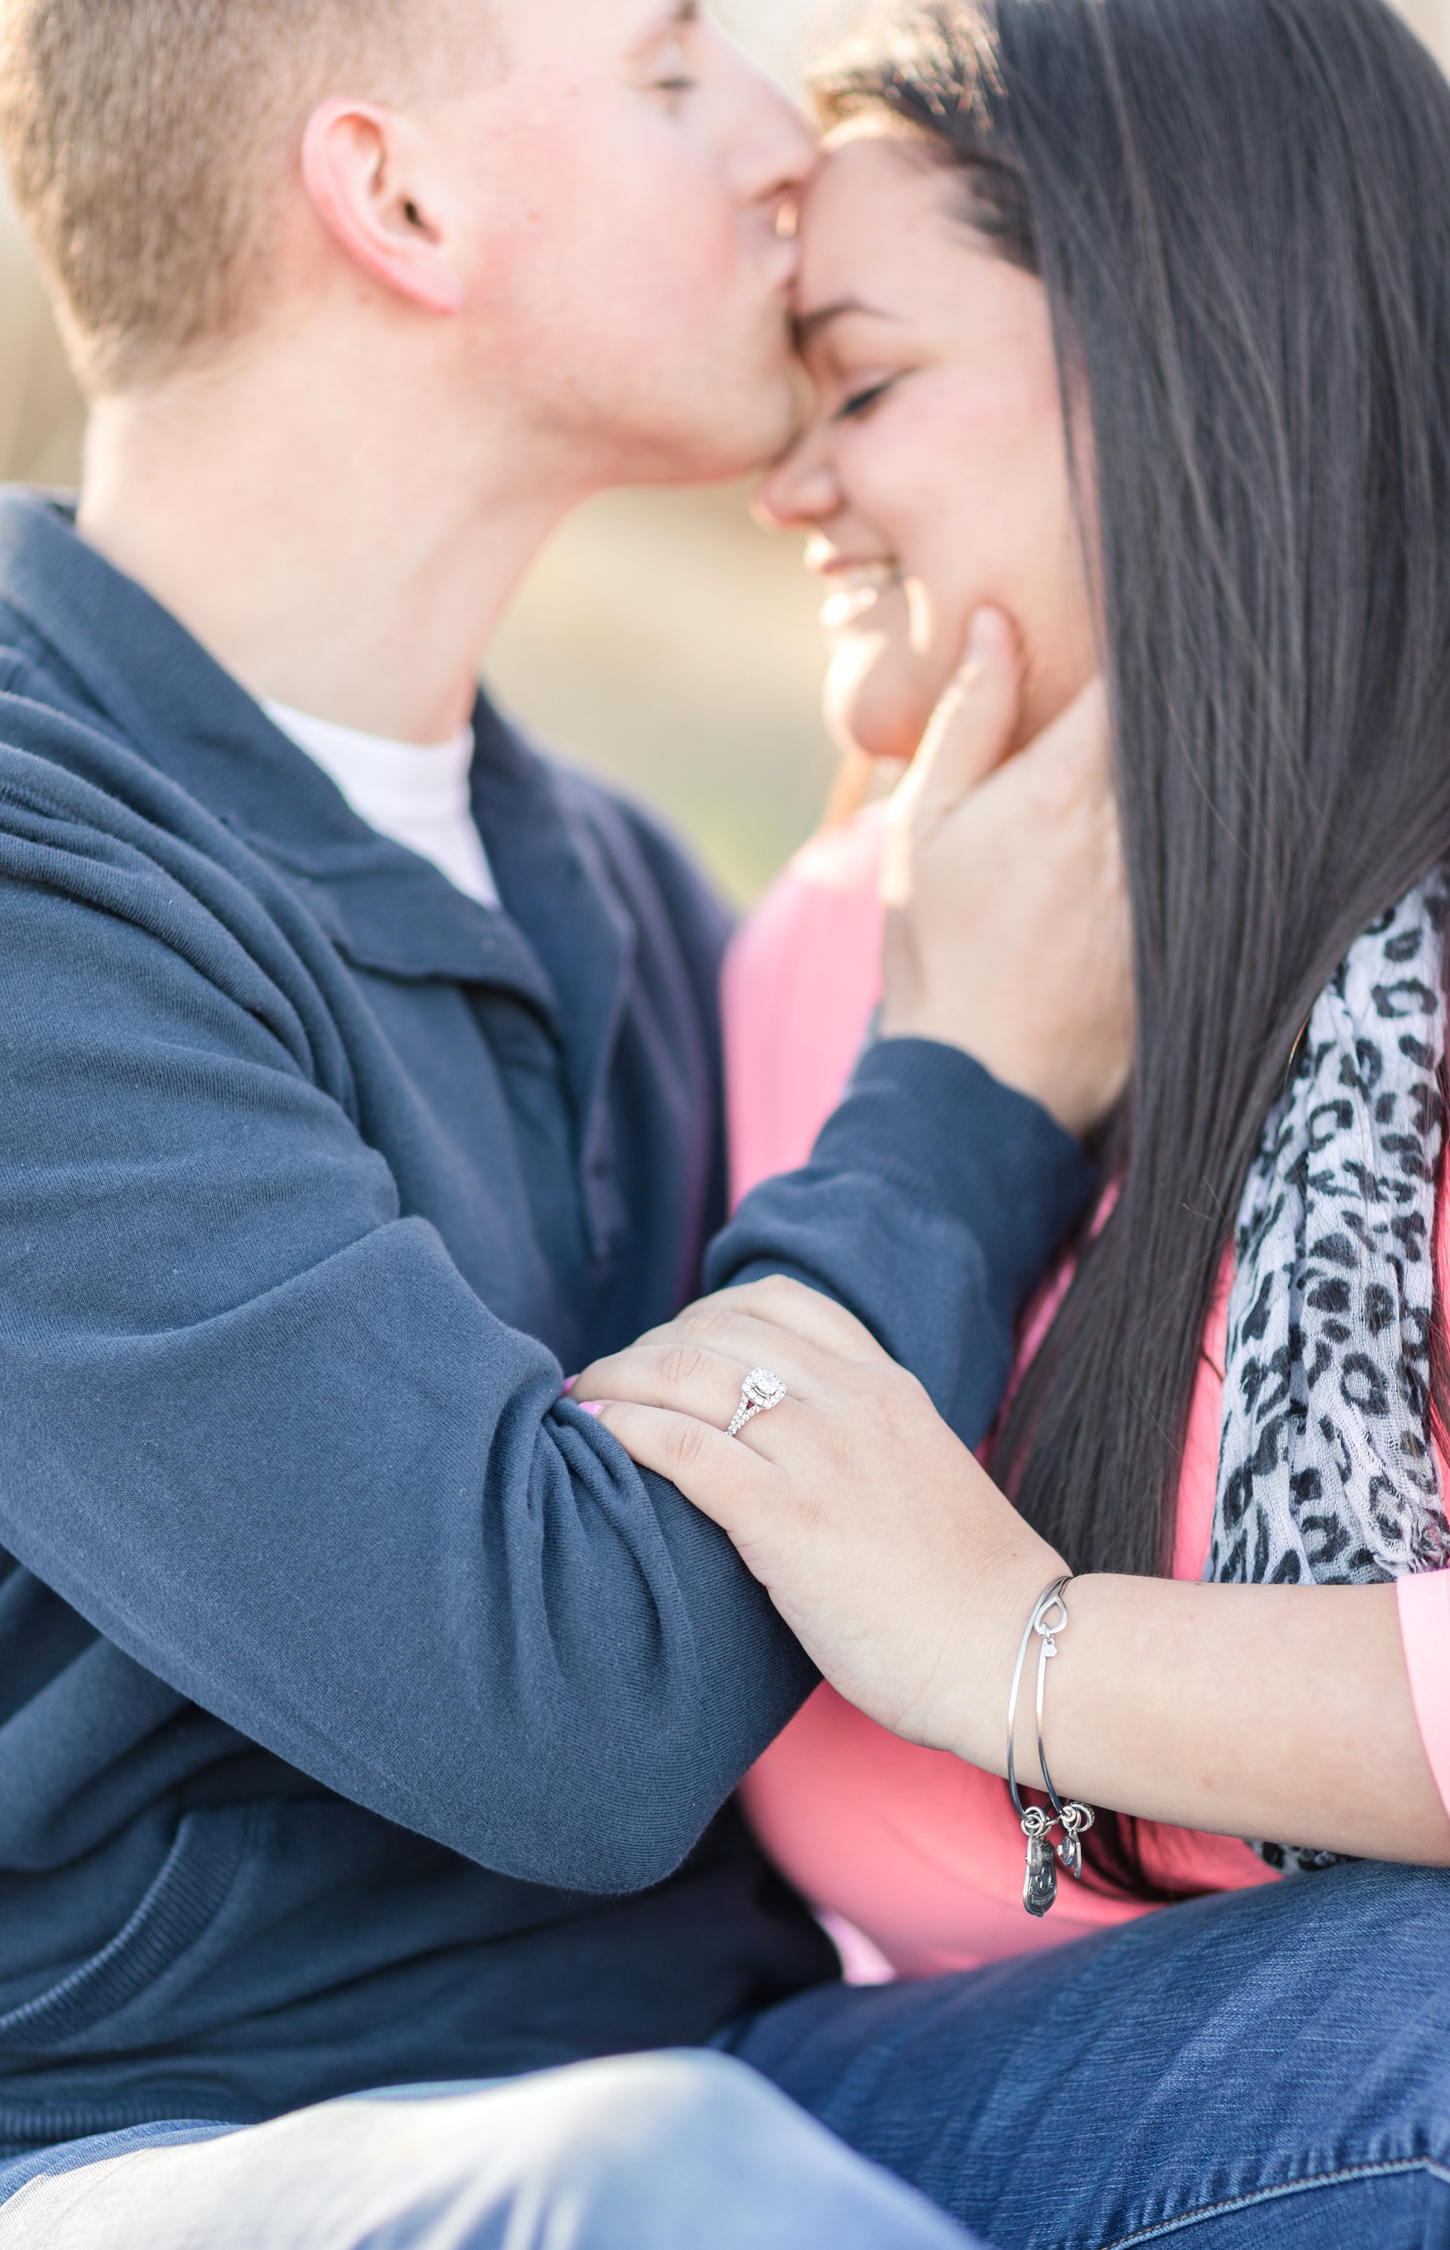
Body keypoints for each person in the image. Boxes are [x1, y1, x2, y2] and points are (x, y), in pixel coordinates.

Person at [0, 0, 1131, 2242]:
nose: (781, 133)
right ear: (396, 199)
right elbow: (577, 1711)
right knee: (658, 2188)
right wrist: (974, 1078)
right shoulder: (40, 887)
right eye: (670, 59)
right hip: (175, 2145)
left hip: (744, 2055)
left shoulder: (601, 873)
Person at [574, 0, 1450, 2239]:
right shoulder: (807, 965)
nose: (788, 485)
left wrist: (1021, 1645)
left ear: (1199, 346)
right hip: (915, 2097)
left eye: (864, 384)